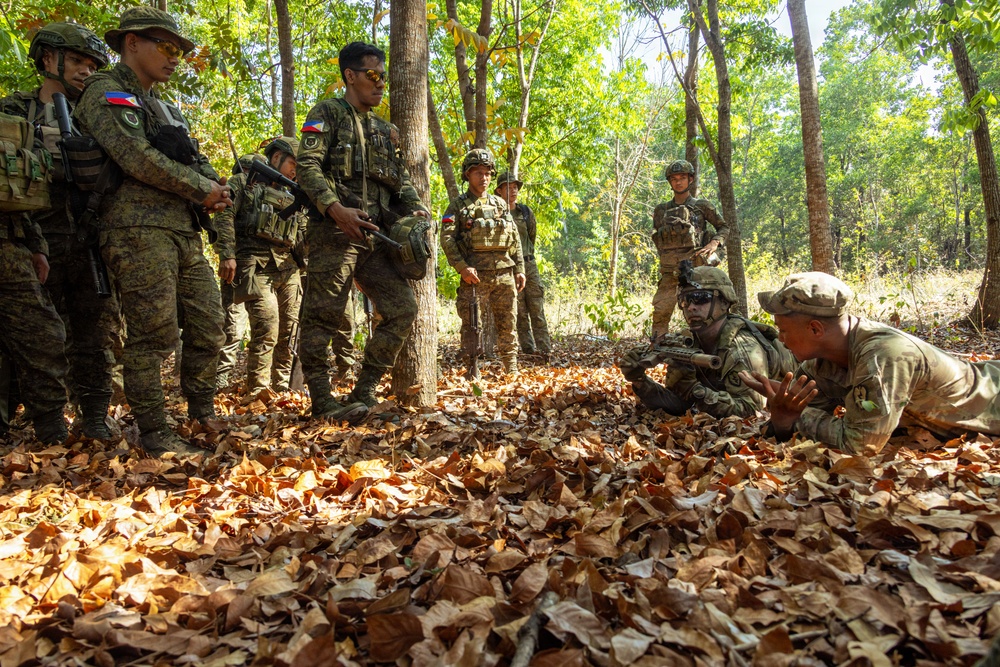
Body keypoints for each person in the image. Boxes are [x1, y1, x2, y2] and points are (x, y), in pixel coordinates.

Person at [74, 7, 233, 457]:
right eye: (166, 46)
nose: (175, 57)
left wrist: (217, 187)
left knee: (209, 325)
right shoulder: (105, 91)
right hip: (134, 227)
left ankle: (202, 413)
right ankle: (155, 431)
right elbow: (136, 157)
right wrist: (203, 188)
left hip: (182, 230)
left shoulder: (166, 108)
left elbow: (195, 162)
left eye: (180, 50)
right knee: (154, 334)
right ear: (131, 43)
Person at [0, 22, 121, 440]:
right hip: (33, 237)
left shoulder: (99, 117)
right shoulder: (15, 112)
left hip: (89, 237)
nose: (86, 70)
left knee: (95, 335)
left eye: (93, 64)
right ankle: (42, 423)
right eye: (78, 61)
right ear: (50, 59)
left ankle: (93, 419)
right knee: (29, 339)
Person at [295, 41, 427, 421]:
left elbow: (400, 181)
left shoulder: (387, 130)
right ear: (349, 76)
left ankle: (364, 390)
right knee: (323, 316)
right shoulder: (327, 113)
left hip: (376, 240)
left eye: (383, 76)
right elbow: (307, 166)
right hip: (334, 234)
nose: (380, 83)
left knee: (403, 308)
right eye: (372, 75)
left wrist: (415, 210)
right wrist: (335, 210)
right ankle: (322, 400)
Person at [741, 272, 1000, 453]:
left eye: (783, 330)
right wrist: (782, 414)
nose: (781, 338)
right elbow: (790, 426)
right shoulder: (818, 364)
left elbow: (860, 445)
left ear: (815, 329)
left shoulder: (884, 355)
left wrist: (796, 416)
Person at [619, 264, 796, 417]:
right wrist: (640, 381)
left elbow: (752, 411)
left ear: (724, 303)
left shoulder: (743, 348)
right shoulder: (686, 342)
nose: (691, 307)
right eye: (685, 300)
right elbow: (679, 406)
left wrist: (697, 392)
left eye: (701, 298)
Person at [214, 138, 305, 394]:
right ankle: (259, 393)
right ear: (276, 158)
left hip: (288, 268)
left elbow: (302, 234)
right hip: (255, 265)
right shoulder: (244, 183)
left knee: (289, 332)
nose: (295, 170)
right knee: (267, 329)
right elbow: (224, 213)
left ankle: (282, 389)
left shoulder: (293, 193)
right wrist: (227, 254)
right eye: (292, 163)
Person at [441, 149, 526, 378]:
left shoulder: (499, 203)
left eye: (488, 173)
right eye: (478, 173)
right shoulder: (457, 206)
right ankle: (472, 369)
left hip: (504, 272)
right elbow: (447, 238)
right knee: (471, 326)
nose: (484, 178)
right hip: (475, 275)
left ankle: (512, 370)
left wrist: (519, 269)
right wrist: (461, 267)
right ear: (468, 175)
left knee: (508, 324)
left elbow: (514, 237)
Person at [651, 160, 730, 337]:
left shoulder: (702, 206)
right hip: (670, 272)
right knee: (661, 312)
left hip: (697, 270)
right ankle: (657, 348)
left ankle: (708, 347)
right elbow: (659, 237)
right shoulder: (661, 210)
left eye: (682, 178)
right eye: (674, 178)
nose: (678, 182)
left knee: (702, 311)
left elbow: (724, 227)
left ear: (690, 179)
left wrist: (713, 244)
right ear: (670, 182)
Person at [494, 171, 552, 361]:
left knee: (537, 308)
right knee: (518, 312)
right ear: (499, 191)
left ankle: (544, 352)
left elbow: (531, 237)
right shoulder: (495, 215)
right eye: (508, 187)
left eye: (515, 187)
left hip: (530, 265)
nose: (513, 191)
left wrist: (526, 259)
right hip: (508, 268)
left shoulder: (525, 213)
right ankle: (528, 351)